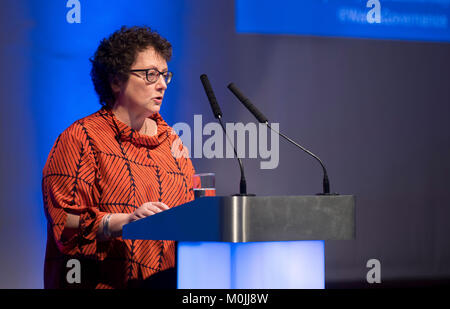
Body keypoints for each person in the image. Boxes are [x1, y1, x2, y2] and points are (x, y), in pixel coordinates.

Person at [42, 26, 195, 289]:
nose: (162, 84)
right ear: (116, 81)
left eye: (165, 75)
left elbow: (188, 216)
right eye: (150, 75)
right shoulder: (82, 138)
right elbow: (64, 225)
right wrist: (123, 221)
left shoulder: (172, 141)